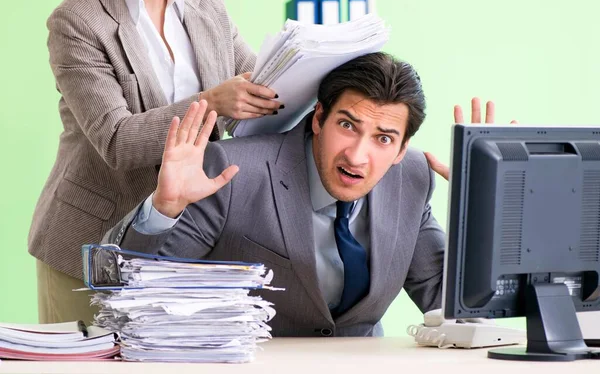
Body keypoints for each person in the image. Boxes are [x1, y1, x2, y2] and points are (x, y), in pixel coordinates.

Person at [28, 0, 282, 325]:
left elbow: (254, 79)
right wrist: (212, 103)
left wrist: (309, 72)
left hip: (186, 237)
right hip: (94, 240)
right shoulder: (78, 22)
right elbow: (117, 140)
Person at [105, 53, 497, 336]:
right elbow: (136, 297)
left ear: (400, 149)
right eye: (347, 125)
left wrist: (481, 214)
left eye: (383, 138)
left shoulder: (411, 176)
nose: (357, 156)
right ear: (320, 117)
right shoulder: (233, 170)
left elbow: (452, 304)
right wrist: (164, 207)